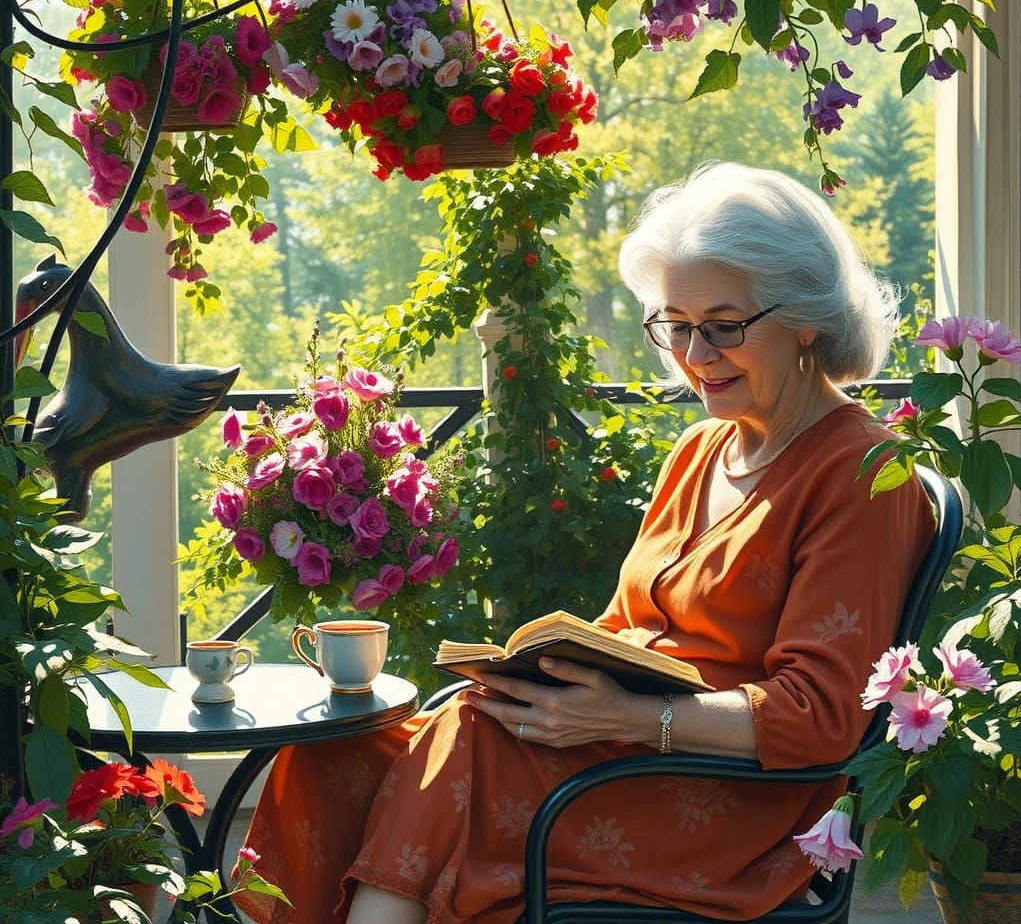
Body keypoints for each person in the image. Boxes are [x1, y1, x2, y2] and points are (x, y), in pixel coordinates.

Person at [235, 163, 936, 924]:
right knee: (339, 749)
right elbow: (626, 633)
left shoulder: (866, 477)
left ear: (805, 316)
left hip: (726, 801)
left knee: (469, 740)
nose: (695, 356)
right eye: (674, 324)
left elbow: (819, 718)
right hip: (611, 755)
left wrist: (628, 720)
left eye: (724, 326)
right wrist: (538, 679)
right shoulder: (701, 450)